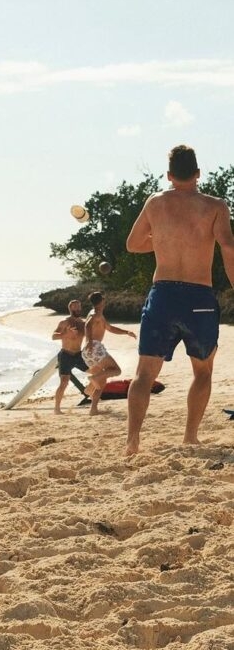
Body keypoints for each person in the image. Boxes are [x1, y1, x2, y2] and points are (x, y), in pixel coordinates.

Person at [125, 145, 234, 456]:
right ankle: (190, 436)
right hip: (199, 296)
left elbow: (133, 245)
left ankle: (133, 442)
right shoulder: (215, 206)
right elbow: (228, 247)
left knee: (144, 374)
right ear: (198, 174)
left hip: (163, 294)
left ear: (169, 175)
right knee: (202, 371)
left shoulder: (155, 203)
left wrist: (162, 240)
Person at [82, 291, 136, 417]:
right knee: (116, 370)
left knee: (102, 381)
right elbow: (87, 324)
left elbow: (110, 328)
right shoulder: (96, 313)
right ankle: (93, 379)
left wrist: (126, 332)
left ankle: (93, 409)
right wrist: (90, 341)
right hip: (94, 347)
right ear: (101, 301)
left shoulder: (98, 315)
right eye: (104, 299)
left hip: (88, 351)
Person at [52, 299, 90, 413]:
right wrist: (65, 334)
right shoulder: (64, 322)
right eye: (75, 307)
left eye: (79, 307)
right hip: (66, 355)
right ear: (70, 309)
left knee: (97, 373)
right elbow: (53, 336)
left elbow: (90, 338)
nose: (78, 309)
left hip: (79, 355)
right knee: (64, 382)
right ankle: (57, 409)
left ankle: (89, 393)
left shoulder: (83, 324)